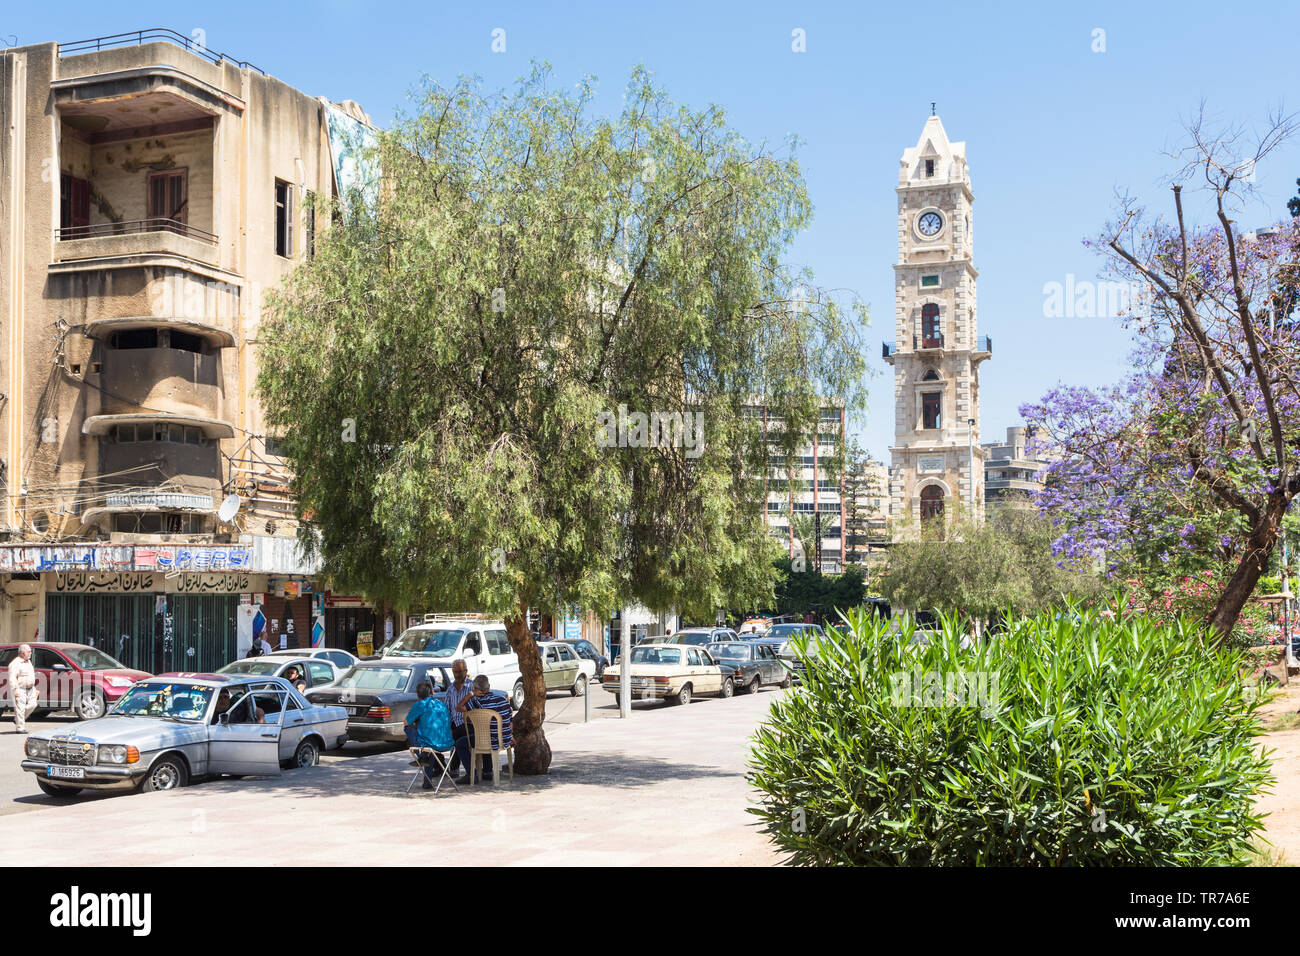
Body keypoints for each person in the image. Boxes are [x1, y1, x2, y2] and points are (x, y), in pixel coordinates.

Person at [455, 675, 513, 782]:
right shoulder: (503, 699)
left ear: (475, 689)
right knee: (486, 734)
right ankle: (487, 771)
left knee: (461, 743)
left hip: (489, 740)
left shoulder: (476, 702)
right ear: (489, 686)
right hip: (505, 740)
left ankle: (472, 774)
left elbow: (458, 707)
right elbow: (510, 722)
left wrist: (471, 694)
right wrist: (511, 736)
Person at [403, 681, 453, 790]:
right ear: (432, 693)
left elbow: (406, 722)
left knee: (409, 729)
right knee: (429, 749)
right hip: (446, 742)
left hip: (430, 744)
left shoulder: (420, 704)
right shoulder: (440, 704)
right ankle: (428, 778)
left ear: (418, 695)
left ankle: (422, 756)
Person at [443, 660, 473, 777]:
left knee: (457, 735)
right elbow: (447, 710)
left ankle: (456, 769)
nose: (458, 675)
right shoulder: (450, 689)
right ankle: (441, 764)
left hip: (469, 724)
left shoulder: (471, 686)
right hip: (455, 724)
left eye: (460, 671)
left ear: (466, 671)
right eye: (455, 672)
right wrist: (447, 726)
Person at [6, 643, 37, 734]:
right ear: (22, 653)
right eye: (28, 651)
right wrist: (15, 689)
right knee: (20, 708)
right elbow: (12, 677)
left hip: (31, 689)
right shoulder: (15, 663)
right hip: (20, 688)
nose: (30, 653)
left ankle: (18, 719)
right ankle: (20, 728)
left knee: (33, 705)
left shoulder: (29, 661)